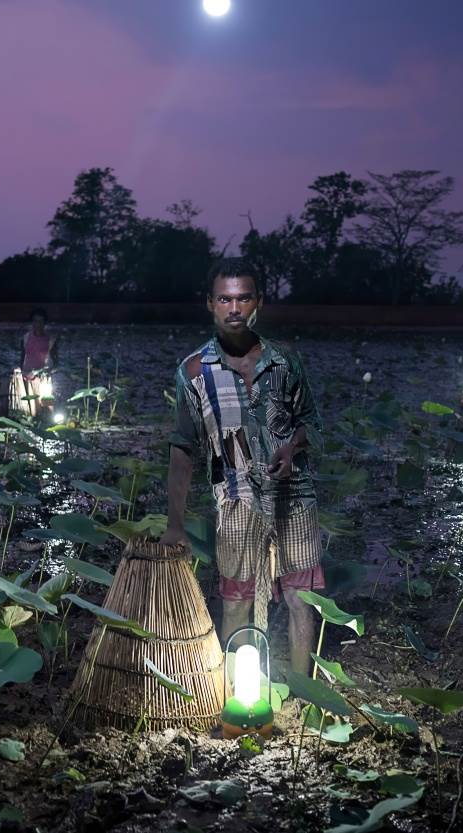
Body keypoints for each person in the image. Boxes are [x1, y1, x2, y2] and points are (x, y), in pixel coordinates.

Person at [159, 258, 324, 678]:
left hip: (295, 497)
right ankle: (235, 691)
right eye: (225, 299)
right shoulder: (194, 371)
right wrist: (175, 523)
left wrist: (292, 447)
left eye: (243, 298)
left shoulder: (285, 362)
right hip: (235, 500)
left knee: (301, 600)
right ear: (210, 304)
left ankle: (302, 693)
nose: (234, 308)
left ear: (258, 303)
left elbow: (311, 423)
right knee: (235, 599)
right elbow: (183, 449)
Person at [14, 307, 60, 419]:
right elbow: (22, 358)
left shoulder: (51, 340)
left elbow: (56, 362)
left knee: (47, 408)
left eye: (40, 321)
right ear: (32, 323)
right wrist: (21, 372)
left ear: (44, 323)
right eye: (35, 321)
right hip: (27, 375)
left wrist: (45, 372)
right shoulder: (25, 338)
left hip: (44, 377)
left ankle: (49, 418)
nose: (37, 324)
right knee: (29, 410)